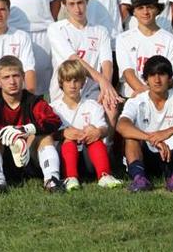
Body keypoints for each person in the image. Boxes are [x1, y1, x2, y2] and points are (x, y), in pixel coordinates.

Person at [117, 56, 173, 193]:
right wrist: (151, 138)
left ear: (170, 79)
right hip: (148, 155)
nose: (157, 80)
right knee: (130, 137)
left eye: (162, 74)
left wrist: (169, 131)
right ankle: (140, 179)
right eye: (152, 75)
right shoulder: (136, 101)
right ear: (146, 79)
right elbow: (121, 126)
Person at [0, 56, 63, 193]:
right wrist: (5, 132)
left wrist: (27, 129)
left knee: (45, 136)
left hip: (29, 157)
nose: (12, 81)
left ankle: (51, 179)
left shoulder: (33, 101)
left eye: (16, 76)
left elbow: (54, 120)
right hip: (2, 156)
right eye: (6, 77)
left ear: (23, 76)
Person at [47, 0, 120, 120]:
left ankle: (109, 136)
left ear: (87, 0)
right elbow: (74, 59)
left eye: (80, 2)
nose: (77, 9)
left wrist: (106, 88)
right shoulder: (55, 29)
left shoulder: (101, 31)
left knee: (111, 111)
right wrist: (102, 81)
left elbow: (107, 63)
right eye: (71, 4)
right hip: (63, 94)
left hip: (92, 93)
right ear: (64, 4)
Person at [50, 60, 122, 191]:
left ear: (83, 83)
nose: (72, 85)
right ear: (61, 83)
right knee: (69, 139)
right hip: (64, 157)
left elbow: (104, 128)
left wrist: (98, 132)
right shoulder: (53, 108)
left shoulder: (92, 105)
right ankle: (70, 178)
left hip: (89, 157)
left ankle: (104, 175)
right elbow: (48, 134)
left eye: (76, 81)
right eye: (68, 80)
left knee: (94, 137)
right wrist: (63, 133)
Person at [115, 0, 173, 98]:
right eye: (140, 8)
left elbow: (171, 78)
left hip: (162, 97)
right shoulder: (123, 39)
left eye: (150, 7)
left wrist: (150, 95)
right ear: (133, 12)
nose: (145, 12)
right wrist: (144, 94)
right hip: (132, 97)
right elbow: (128, 72)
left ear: (157, 10)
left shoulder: (172, 41)